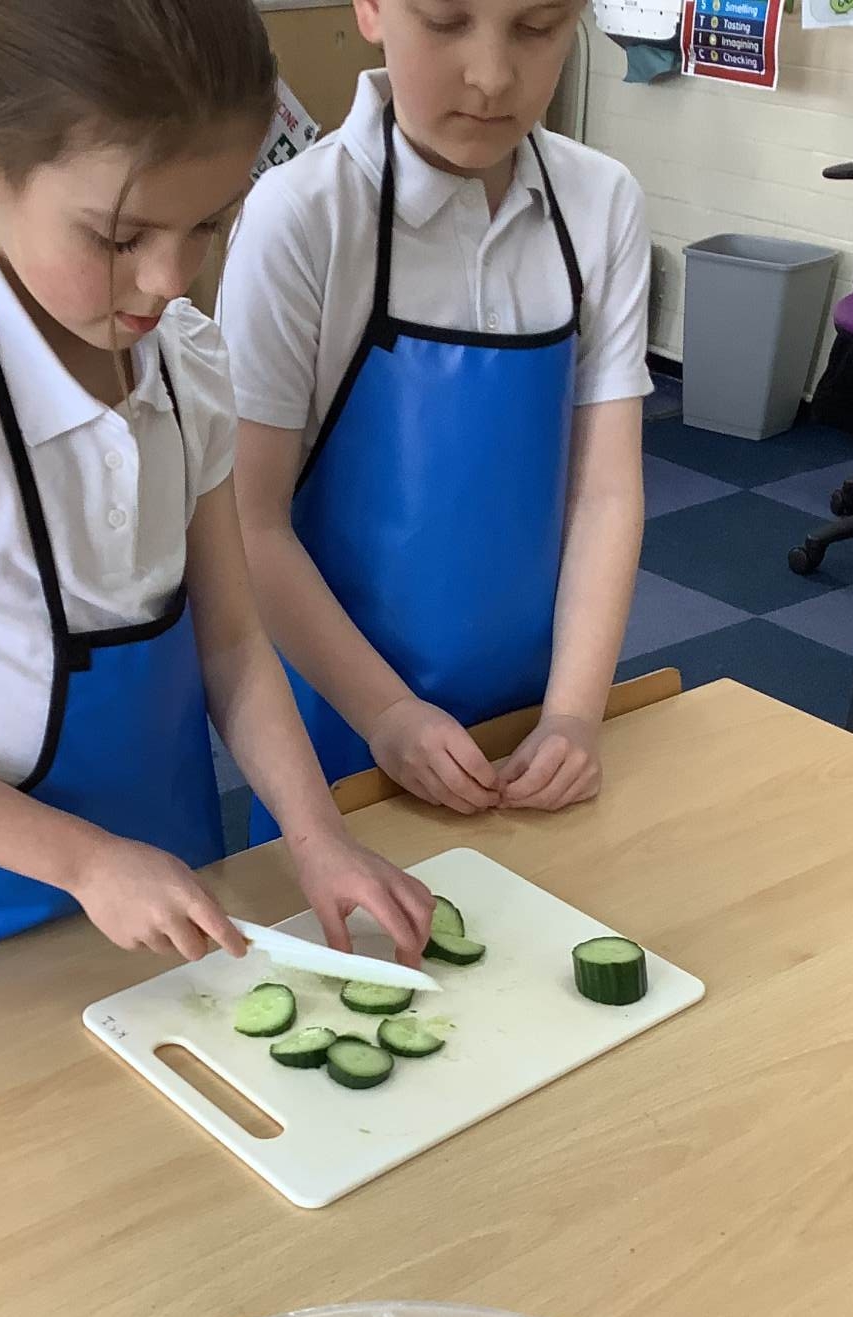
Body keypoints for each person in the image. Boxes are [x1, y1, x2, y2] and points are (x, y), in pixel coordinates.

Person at [0, 0, 434, 966]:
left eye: (208, 222)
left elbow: (233, 644)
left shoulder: (187, 362)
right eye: (120, 238)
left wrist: (316, 839)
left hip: (162, 885)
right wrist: (84, 862)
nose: (170, 278)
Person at [217, 0, 651, 838]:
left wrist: (573, 715)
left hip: (530, 718)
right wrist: (386, 713)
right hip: (342, 714)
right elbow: (249, 524)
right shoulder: (303, 216)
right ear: (373, 9)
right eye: (448, 22)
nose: (491, 77)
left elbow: (604, 494)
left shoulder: (602, 204)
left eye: (537, 29)